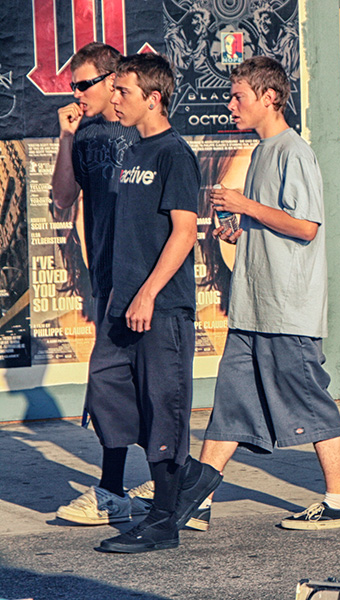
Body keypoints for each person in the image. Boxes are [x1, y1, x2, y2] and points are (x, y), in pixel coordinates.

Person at [197, 56, 340, 531]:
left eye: (238, 96)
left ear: (269, 97)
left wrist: (246, 206)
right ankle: (197, 500)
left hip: (288, 310)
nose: (231, 106)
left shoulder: (293, 151)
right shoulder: (263, 152)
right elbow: (275, 223)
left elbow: (306, 227)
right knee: (230, 401)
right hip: (252, 308)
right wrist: (240, 227)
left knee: (308, 399)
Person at [92, 52, 222, 553]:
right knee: (113, 402)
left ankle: (164, 521)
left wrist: (147, 292)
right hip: (121, 307)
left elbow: (185, 232)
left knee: (162, 411)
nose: (115, 98)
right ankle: (191, 477)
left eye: (123, 91)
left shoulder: (174, 154)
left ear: (154, 98)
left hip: (161, 308)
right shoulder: (132, 152)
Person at [50, 42, 147, 526]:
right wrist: (66, 138)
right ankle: (117, 490)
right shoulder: (85, 135)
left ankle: (153, 487)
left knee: (146, 383)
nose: (76, 94)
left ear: (113, 82)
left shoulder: (147, 137)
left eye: (84, 84)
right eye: (72, 86)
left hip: (148, 282)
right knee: (110, 382)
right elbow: (63, 198)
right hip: (110, 281)